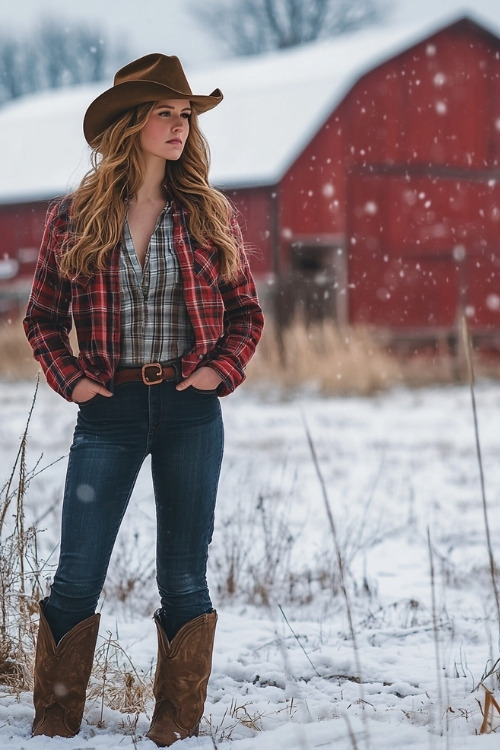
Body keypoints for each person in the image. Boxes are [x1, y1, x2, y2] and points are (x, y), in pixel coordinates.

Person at [23, 53, 264, 746]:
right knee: (77, 574)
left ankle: (173, 723)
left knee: (184, 576)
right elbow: (41, 319)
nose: (179, 126)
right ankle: (55, 717)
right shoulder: (76, 216)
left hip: (192, 412)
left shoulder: (207, 214)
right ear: (131, 123)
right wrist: (74, 380)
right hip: (109, 414)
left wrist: (220, 371)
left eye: (186, 114)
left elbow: (247, 314)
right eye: (165, 112)